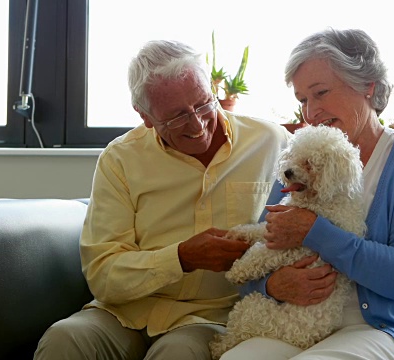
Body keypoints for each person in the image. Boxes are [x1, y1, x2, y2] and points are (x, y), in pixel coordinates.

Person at [34, 39, 291, 360]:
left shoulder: (271, 141)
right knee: (64, 338)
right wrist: (182, 257)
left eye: (202, 104)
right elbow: (103, 274)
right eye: (176, 117)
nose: (197, 125)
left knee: (178, 352)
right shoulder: (120, 159)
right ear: (145, 116)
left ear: (213, 89)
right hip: (124, 313)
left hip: (211, 316)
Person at [221, 28, 394, 360]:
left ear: (367, 87)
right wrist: (272, 285)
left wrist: (314, 232)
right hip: (297, 324)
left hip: (387, 330)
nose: (310, 112)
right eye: (302, 100)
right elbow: (258, 258)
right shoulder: (301, 159)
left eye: (321, 93)